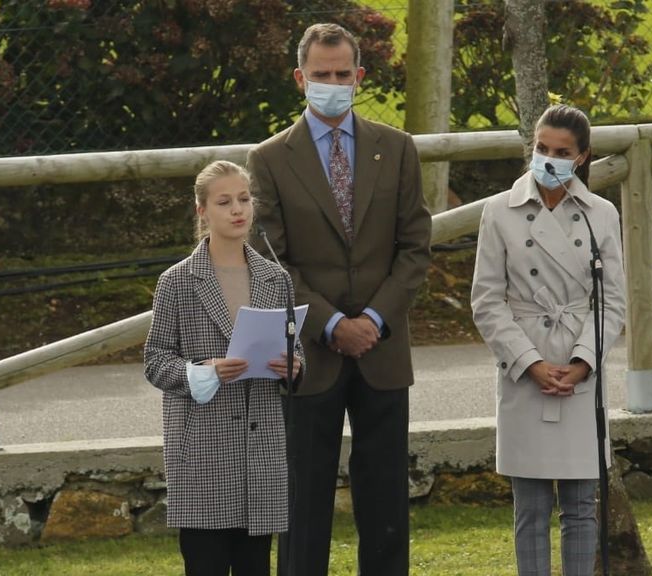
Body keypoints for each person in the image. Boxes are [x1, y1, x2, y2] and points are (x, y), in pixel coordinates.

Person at [246, 23, 432, 576]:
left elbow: (415, 248)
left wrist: (373, 319)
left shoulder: (396, 150)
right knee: (303, 505)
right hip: (307, 354)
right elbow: (270, 261)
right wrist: (331, 325)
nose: (332, 83)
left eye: (342, 74)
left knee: (386, 504)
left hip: (383, 350)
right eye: (321, 75)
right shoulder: (269, 159)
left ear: (360, 77)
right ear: (301, 79)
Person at [470, 104, 627, 576]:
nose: (549, 159)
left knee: (581, 506)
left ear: (581, 157)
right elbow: (486, 300)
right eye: (542, 148)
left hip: (581, 369)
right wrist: (531, 362)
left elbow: (614, 300)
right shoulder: (499, 211)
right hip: (524, 369)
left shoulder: (602, 214)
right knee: (530, 510)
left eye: (562, 152)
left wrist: (582, 362)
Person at [144, 160, 302, 576]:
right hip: (201, 452)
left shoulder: (276, 278)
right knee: (206, 564)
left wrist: (293, 366)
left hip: (260, 450)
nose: (238, 210)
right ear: (202, 211)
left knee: (255, 565)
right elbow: (156, 361)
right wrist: (203, 370)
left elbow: (296, 351)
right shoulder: (176, 282)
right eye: (225, 201)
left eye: (245, 199)